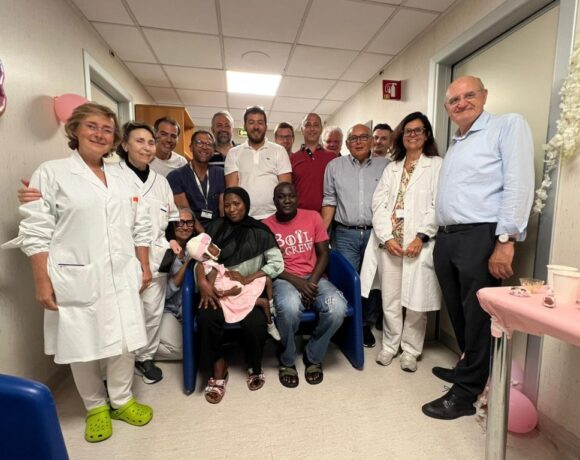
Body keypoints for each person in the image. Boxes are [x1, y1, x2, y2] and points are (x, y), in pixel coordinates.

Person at [3, 103, 153, 442]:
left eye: (107, 129)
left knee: (126, 340)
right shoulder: (52, 172)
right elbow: (36, 229)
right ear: (75, 130)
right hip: (75, 272)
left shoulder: (123, 176)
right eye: (92, 126)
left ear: (115, 138)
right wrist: (42, 280)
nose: (100, 134)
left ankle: (122, 400)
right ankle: (96, 407)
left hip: (122, 270)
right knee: (81, 341)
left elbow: (141, 224)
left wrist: (143, 265)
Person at [422, 76, 534, 420]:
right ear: (447, 108)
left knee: (479, 315)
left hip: (480, 235)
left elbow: (518, 183)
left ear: (484, 96)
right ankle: (468, 367)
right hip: (448, 237)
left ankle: (465, 394)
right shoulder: (457, 143)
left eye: (469, 95)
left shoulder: (506, 126)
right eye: (453, 100)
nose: (461, 103)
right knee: (459, 312)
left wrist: (506, 240)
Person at [361, 112, 442, 371]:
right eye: (408, 131)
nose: (412, 135)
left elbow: (438, 204)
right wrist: (386, 237)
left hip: (419, 244)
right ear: (401, 136)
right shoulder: (392, 168)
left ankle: (410, 350)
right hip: (391, 245)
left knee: (417, 301)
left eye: (418, 130)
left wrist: (421, 236)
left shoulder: (436, 165)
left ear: (426, 135)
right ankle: (390, 345)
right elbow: (378, 204)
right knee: (390, 299)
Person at [196, 187, 283, 404]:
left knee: (255, 322)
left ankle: (254, 364)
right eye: (227, 205)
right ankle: (219, 367)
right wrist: (203, 282)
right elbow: (200, 260)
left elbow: (277, 263)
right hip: (218, 289)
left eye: (237, 204)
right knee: (206, 317)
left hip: (247, 289)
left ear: (246, 204)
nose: (232, 209)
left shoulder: (260, 231)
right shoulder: (214, 229)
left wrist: (247, 278)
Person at [115, 122, 180, 384]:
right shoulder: (112, 176)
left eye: (150, 142)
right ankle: (118, 365)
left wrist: (173, 241)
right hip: (123, 257)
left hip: (156, 257)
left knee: (152, 312)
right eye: (139, 141)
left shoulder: (161, 182)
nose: (146, 147)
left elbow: (172, 217)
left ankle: (145, 358)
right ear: (125, 145)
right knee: (123, 314)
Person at [264, 183, 347, 388]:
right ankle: (287, 359)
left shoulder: (313, 217)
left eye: (291, 196)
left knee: (337, 308)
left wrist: (311, 283)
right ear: (274, 201)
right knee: (289, 308)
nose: (287, 200)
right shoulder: (266, 226)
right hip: (285, 279)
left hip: (314, 277)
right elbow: (268, 265)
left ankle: (313, 355)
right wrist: (299, 283)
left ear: (297, 198)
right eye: (281, 197)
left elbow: (324, 254)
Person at [322, 123, 388, 347]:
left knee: (371, 283)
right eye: (353, 138)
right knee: (347, 280)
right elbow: (329, 200)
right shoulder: (334, 166)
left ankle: (364, 324)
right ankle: (344, 323)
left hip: (375, 234)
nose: (358, 142)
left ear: (371, 140)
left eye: (363, 137)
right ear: (347, 143)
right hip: (345, 233)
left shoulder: (386, 166)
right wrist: (322, 234)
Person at [188, 233, 280, 340]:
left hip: (235, 283)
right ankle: (270, 325)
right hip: (231, 295)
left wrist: (233, 274)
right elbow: (214, 291)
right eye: (211, 246)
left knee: (267, 280)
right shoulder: (208, 268)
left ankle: (271, 306)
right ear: (205, 255)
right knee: (263, 302)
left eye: (212, 243)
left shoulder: (211, 263)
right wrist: (232, 292)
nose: (215, 246)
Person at [224, 106, 292, 220]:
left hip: (274, 217)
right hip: (245, 218)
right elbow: (232, 192)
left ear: (266, 126)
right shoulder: (233, 153)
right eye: (251, 122)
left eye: (260, 123)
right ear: (245, 126)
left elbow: (285, 189)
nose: (256, 127)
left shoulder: (279, 151)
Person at [156, 208, 196, 361]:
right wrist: (186, 263)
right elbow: (164, 294)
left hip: (185, 312)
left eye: (189, 222)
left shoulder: (194, 247)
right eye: (180, 223)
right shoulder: (165, 250)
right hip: (166, 311)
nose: (185, 227)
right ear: (172, 225)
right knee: (183, 351)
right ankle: (142, 352)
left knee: (195, 346)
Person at [167, 130, 224, 229]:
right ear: (191, 147)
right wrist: (204, 235)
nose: (204, 147)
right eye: (199, 142)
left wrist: (224, 232)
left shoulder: (220, 174)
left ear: (213, 150)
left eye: (209, 144)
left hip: (217, 228)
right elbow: (186, 211)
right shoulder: (176, 176)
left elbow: (223, 210)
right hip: (190, 229)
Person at [291, 113, 337, 212]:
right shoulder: (292, 159)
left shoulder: (332, 158)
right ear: (302, 130)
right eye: (308, 125)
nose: (312, 129)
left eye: (316, 125)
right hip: (299, 216)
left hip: (327, 216)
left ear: (321, 129)